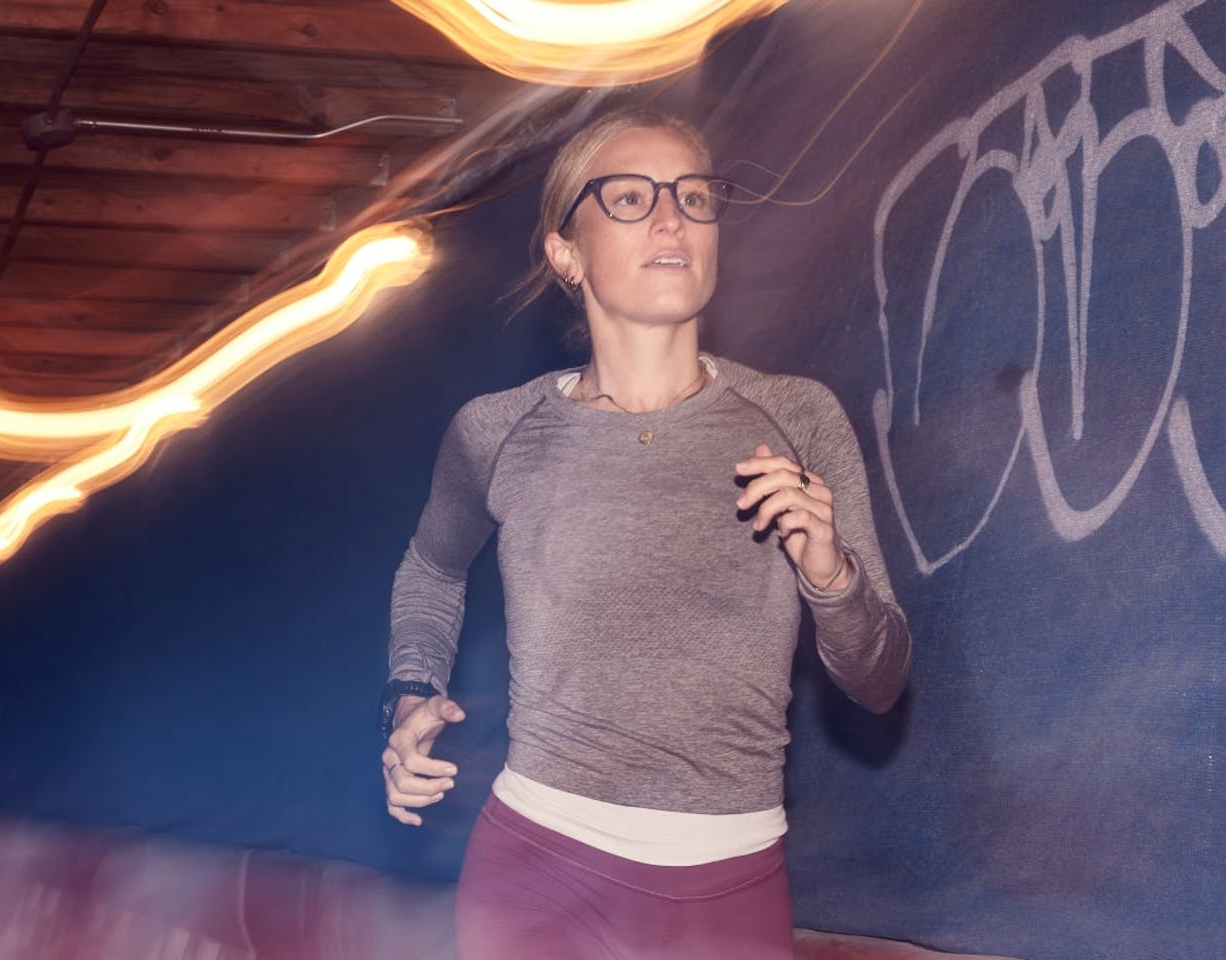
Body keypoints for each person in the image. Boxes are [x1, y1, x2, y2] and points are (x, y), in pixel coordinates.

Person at [379, 106, 912, 960]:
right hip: (536, 869)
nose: (672, 219)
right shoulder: (497, 432)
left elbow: (881, 682)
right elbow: (431, 569)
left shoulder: (798, 418)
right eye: (630, 198)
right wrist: (410, 689)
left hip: (729, 884)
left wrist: (831, 571)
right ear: (567, 253)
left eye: (695, 198)